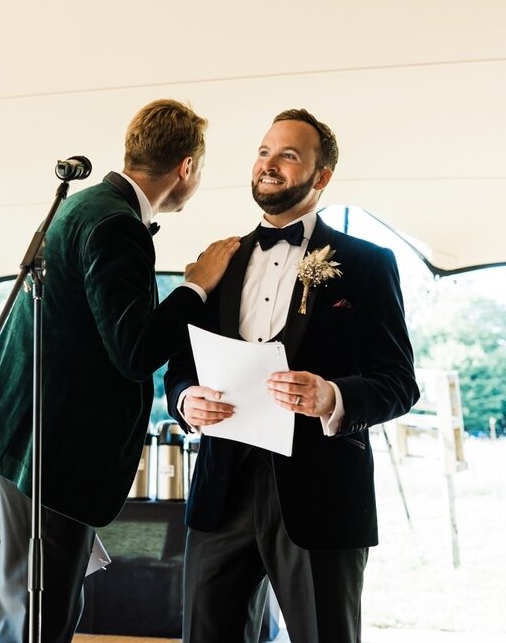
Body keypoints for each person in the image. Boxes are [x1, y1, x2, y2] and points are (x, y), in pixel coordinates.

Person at [0, 99, 240, 643]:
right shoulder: (118, 224)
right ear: (187, 167)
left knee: (26, 601)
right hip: (54, 450)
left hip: (23, 433)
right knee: (44, 611)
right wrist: (195, 285)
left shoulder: (82, 205)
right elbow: (134, 350)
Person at [165, 109, 420, 643]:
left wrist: (332, 396)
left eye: (288, 154)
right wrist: (185, 398)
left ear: (321, 176)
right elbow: (183, 363)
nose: (269, 164)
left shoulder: (368, 263)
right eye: (263, 151)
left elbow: (398, 380)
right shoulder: (219, 260)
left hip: (322, 495)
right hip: (221, 490)